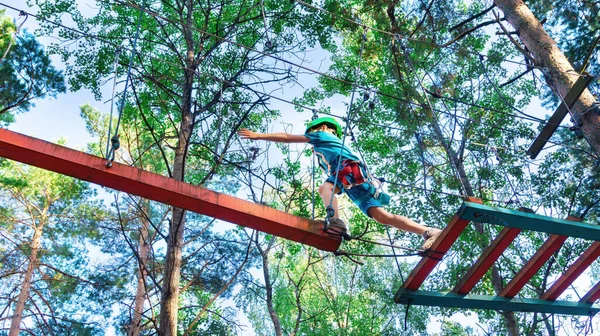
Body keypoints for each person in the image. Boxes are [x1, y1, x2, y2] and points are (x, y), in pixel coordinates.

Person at [238, 117, 442, 250]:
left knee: (324, 188)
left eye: (314, 131)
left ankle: (335, 220)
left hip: (347, 170)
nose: (311, 137)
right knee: (381, 217)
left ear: (323, 128)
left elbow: (288, 137)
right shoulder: (324, 152)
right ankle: (428, 231)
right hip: (354, 182)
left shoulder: (321, 135)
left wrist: (259, 135)